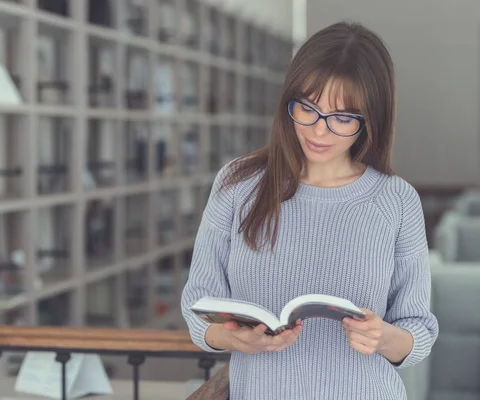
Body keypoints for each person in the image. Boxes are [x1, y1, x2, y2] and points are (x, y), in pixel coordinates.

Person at [181, 21, 439, 400]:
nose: (319, 131)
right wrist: (235, 339)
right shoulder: (237, 184)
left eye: (342, 118)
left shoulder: (396, 200)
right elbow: (196, 306)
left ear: (371, 121)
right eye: (308, 108)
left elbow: (418, 332)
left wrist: (383, 337)